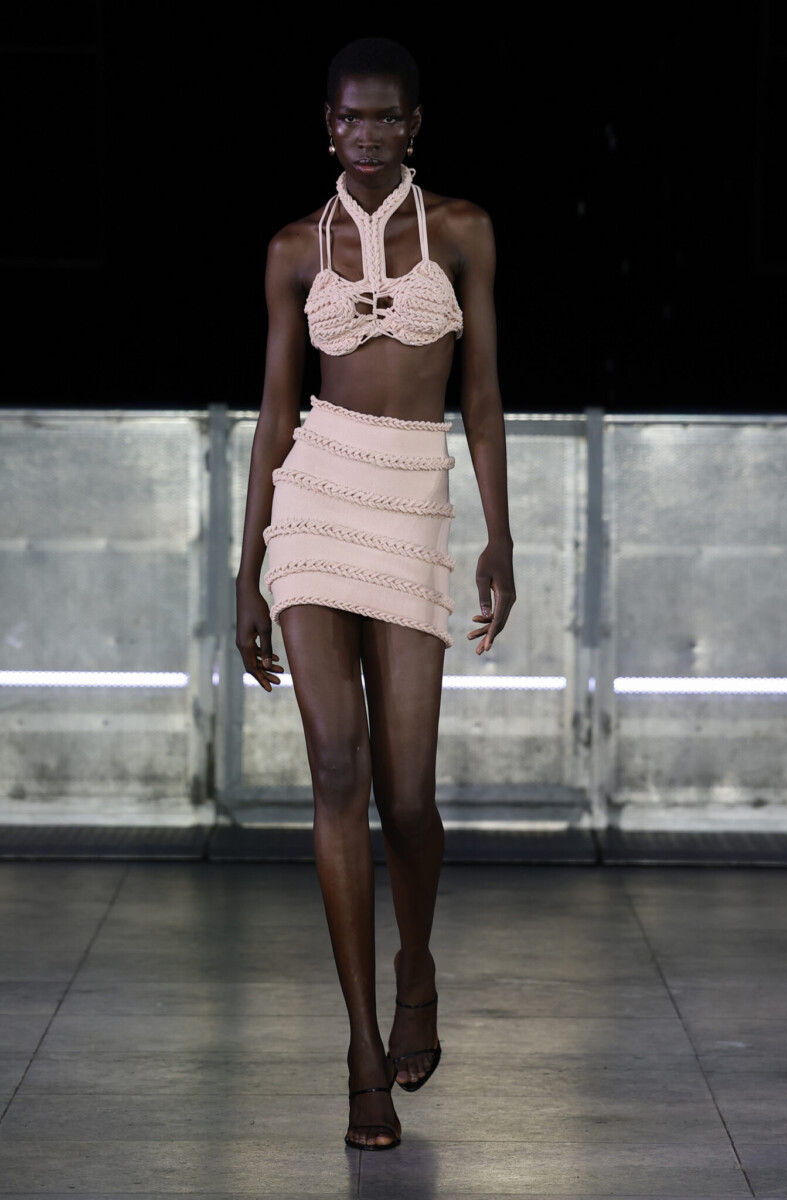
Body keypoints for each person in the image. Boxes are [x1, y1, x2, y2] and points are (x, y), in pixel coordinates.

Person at [235, 37, 515, 1151]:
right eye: (350, 118)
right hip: (314, 500)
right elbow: (274, 411)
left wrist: (501, 532)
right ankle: (359, 1052)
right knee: (335, 770)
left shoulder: (463, 231)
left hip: (410, 505)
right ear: (327, 125)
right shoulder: (290, 250)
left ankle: (416, 968)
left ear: (413, 125)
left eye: (386, 117)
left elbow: (481, 395)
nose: (367, 134)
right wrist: (246, 572)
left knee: (406, 797)